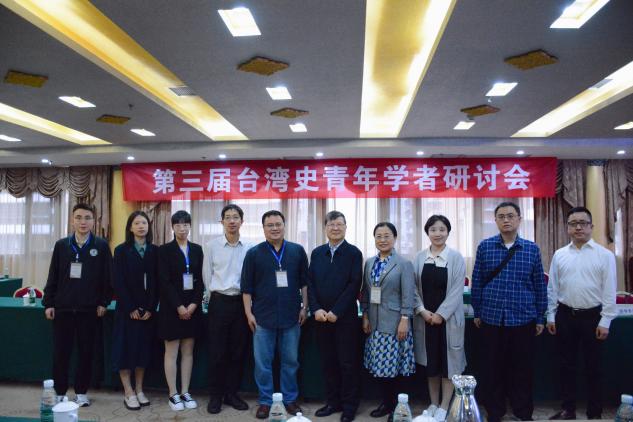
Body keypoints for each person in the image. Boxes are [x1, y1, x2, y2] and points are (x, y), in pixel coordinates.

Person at [471, 201, 546, 422]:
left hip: (523, 318)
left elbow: (539, 285)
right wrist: (478, 311)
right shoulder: (485, 247)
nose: (506, 220)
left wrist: (540, 317)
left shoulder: (531, 249)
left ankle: (523, 411)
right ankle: (495, 412)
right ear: (495, 220)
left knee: (521, 369)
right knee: (492, 368)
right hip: (492, 318)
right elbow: (477, 281)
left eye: (511, 216)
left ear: (519, 219)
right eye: (501, 216)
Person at [546, 206, 617, 420]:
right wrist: (551, 315)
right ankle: (568, 409)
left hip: (593, 317)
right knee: (566, 365)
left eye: (583, 223)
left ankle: (594, 412)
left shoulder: (605, 255)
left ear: (591, 226)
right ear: (567, 227)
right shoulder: (560, 255)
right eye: (573, 223)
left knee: (593, 367)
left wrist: (606, 320)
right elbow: (553, 288)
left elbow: (609, 289)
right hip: (565, 315)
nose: (578, 227)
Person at [241, 210, 309, 419]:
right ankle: (265, 401)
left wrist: (305, 307)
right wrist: (248, 313)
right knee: (263, 364)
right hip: (263, 317)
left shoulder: (297, 251)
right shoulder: (254, 253)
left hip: (291, 316)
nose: (274, 228)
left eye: (278, 224)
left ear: (284, 225)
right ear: (263, 228)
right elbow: (246, 288)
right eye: (269, 225)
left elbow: (305, 283)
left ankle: (289, 399)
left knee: (290, 361)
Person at [43, 203, 112, 406]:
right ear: (72, 220)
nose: (83, 222)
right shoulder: (62, 245)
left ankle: (81, 392)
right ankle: (60, 392)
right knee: (61, 353)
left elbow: (108, 278)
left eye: (87, 218)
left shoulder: (101, 246)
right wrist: (49, 303)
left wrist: (104, 302)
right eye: (79, 217)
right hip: (63, 309)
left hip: (89, 310)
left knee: (86, 352)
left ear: (94, 221)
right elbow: (53, 275)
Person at [308, 211, 363, 422]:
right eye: (331, 225)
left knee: (347, 364)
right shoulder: (317, 253)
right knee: (328, 362)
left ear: (346, 227)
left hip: (345, 319)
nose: (335, 228)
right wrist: (316, 309)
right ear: (325, 228)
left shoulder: (354, 253)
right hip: (321, 318)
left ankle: (349, 406)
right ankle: (333, 402)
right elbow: (310, 284)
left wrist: (336, 312)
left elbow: (354, 285)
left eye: (339, 224)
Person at [413, 215, 466, 422]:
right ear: (427, 232)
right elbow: (413, 288)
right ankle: (434, 403)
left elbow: (457, 290)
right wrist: (422, 311)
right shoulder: (419, 258)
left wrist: (441, 315)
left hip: (448, 321)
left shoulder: (456, 258)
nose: (438, 233)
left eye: (442, 229)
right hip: (425, 321)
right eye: (433, 229)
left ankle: (445, 406)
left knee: (449, 365)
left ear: (448, 232)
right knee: (431, 364)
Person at [361, 222, 416, 422]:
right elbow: (366, 292)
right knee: (380, 368)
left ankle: (397, 408)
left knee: (395, 368)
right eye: (379, 236)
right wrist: (365, 315)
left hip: (395, 323)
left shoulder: (403, 263)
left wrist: (404, 319)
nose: (382, 240)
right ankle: (386, 403)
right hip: (375, 322)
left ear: (395, 238)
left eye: (387, 236)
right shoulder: (369, 263)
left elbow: (408, 295)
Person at [203, 204, 253, 414]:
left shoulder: (250, 247)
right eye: (228, 217)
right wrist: (212, 297)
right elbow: (207, 275)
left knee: (237, 352)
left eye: (236, 217)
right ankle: (215, 396)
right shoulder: (211, 246)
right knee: (217, 352)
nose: (232, 221)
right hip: (219, 302)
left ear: (242, 221)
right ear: (221, 221)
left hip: (241, 303)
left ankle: (232, 394)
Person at [157, 210, 204, 411]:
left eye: (185, 225)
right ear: (172, 227)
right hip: (171, 308)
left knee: (188, 351)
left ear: (190, 226)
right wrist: (179, 306)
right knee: (171, 351)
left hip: (192, 308)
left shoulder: (197, 249)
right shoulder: (164, 250)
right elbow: (164, 281)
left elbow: (201, 280)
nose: (182, 228)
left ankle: (185, 391)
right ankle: (173, 393)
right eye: (178, 225)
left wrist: (193, 305)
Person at [111, 211, 158, 410]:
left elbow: (157, 282)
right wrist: (130, 307)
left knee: (142, 351)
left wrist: (150, 307)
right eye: (137, 223)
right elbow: (118, 281)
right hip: (126, 310)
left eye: (144, 223)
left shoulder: (155, 251)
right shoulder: (121, 251)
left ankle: (139, 389)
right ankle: (128, 391)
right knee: (125, 351)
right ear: (130, 227)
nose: (141, 226)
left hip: (147, 312)